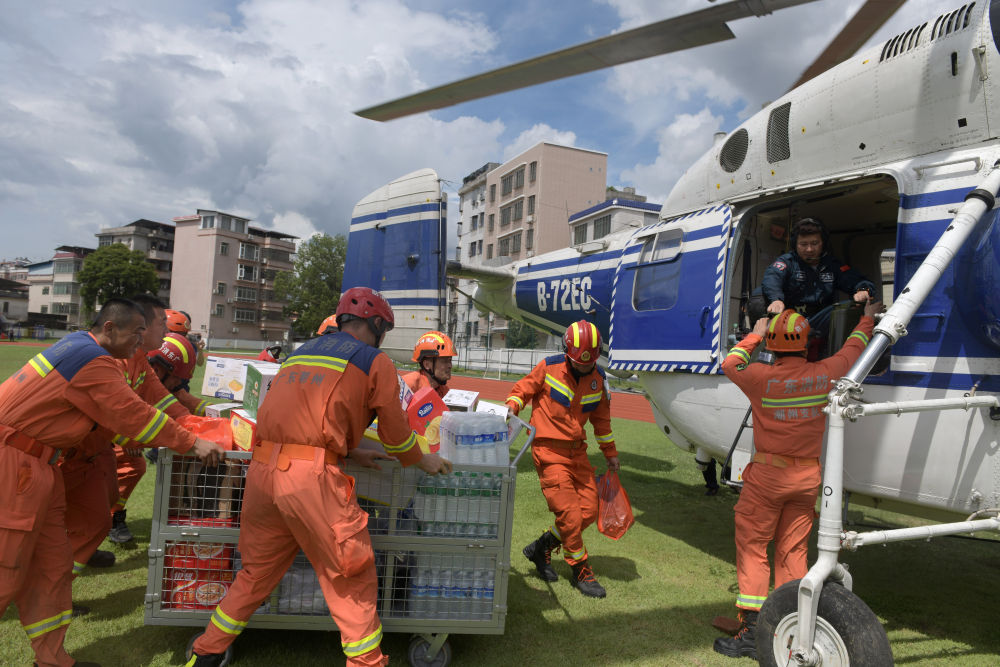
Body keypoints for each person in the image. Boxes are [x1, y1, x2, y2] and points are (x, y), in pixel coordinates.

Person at [186, 287, 452, 667]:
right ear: (376, 325)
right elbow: (395, 434)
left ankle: (206, 652)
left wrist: (348, 449)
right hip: (311, 482)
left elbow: (295, 415)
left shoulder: (300, 353)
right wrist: (419, 458)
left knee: (255, 573)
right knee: (352, 575)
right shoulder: (373, 361)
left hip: (263, 474)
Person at [0, 298, 223, 667]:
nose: (143, 340)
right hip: (16, 465)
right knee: (6, 566)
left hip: (42, 466)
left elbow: (154, 404)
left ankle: (51, 661)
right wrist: (192, 442)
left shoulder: (85, 350)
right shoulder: (92, 360)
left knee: (52, 569)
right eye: (137, 331)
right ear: (109, 329)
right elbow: (133, 415)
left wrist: (192, 426)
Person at [713, 300, 881, 659]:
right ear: (807, 343)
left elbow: (730, 363)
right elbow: (854, 348)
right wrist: (867, 318)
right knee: (793, 552)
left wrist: (753, 337)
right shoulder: (827, 372)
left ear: (772, 344)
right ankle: (789, 625)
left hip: (768, 477)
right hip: (807, 478)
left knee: (754, 547)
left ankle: (751, 631)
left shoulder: (760, 378)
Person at [505, 320, 619, 599]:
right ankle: (580, 569)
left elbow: (602, 423)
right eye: (578, 363)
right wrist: (511, 407)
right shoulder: (549, 366)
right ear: (567, 353)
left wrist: (611, 455)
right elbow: (522, 390)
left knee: (589, 512)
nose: (583, 367)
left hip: (577, 453)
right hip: (548, 451)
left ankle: (541, 547)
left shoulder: (599, 380)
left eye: (588, 363)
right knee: (569, 514)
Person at [756, 217, 877, 336]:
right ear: (795, 244)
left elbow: (857, 280)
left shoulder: (832, 265)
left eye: (814, 243)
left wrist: (862, 290)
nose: (809, 249)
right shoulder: (788, 262)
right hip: (791, 321)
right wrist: (776, 300)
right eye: (803, 244)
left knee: (847, 309)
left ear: (822, 244)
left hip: (820, 320)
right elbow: (772, 278)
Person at [147, 333, 210, 416]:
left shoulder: (167, 387)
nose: (179, 383)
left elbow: (185, 400)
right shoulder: (135, 388)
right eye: (176, 377)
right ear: (156, 370)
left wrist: (216, 410)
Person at [402, 330, 454, 398]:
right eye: (444, 361)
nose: (450, 365)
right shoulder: (407, 386)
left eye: (450, 360)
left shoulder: (443, 391)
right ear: (427, 364)